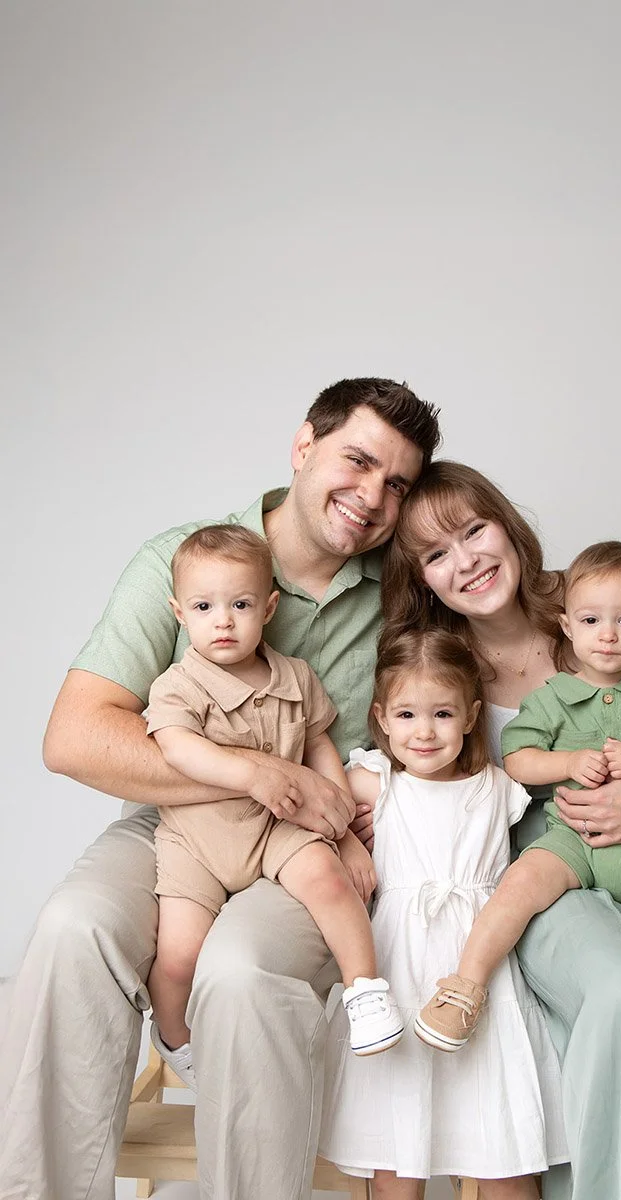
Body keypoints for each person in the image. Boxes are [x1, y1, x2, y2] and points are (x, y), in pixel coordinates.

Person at [0, 378, 441, 1200]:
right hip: (177, 827)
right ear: (304, 446)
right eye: (357, 460)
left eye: (398, 484)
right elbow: (75, 737)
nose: (372, 497)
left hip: (301, 846)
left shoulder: (406, 590)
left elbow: (468, 684)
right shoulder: (187, 556)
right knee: (72, 927)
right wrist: (257, 774)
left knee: (241, 973)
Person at [374, 461, 621, 1200]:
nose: (466, 561)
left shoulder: (606, 600)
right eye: (435, 554)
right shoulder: (440, 661)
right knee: (620, 989)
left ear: (506, 523)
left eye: (474, 530)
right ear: (419, 577)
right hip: (546, 858)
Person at [416, 540, 621, 1058]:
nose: (607, 635)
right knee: (517, 886)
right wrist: (567, 764)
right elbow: (517, 758)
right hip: (572, 838)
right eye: (590, 621)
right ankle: (465, 987)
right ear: (566, 626)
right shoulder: (554, 696)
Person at [318, 628, 569, 1200]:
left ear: (472, 716)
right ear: (381, 718)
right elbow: (316, 795)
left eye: (442, 714)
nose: (424, 731)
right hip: (399, 965)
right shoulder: (376, 782)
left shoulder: (498, 787)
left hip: (478, 971)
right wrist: (351, 842)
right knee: (397, 1154)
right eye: (406, 714)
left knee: (501, 1150)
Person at [147, 525, 403, 1083]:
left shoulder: (295, 677)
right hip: (198, 839)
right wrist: (250, 774)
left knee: (331, 882)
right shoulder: (178, 685)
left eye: (240, 604)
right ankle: (176, 1039)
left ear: (268, 608)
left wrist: (342, 832)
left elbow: (317, 745)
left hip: (276, 826)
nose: (223, 620)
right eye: (204, 606)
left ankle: (365, 992)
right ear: (178, 612)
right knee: (178, 956)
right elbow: (176, 746)